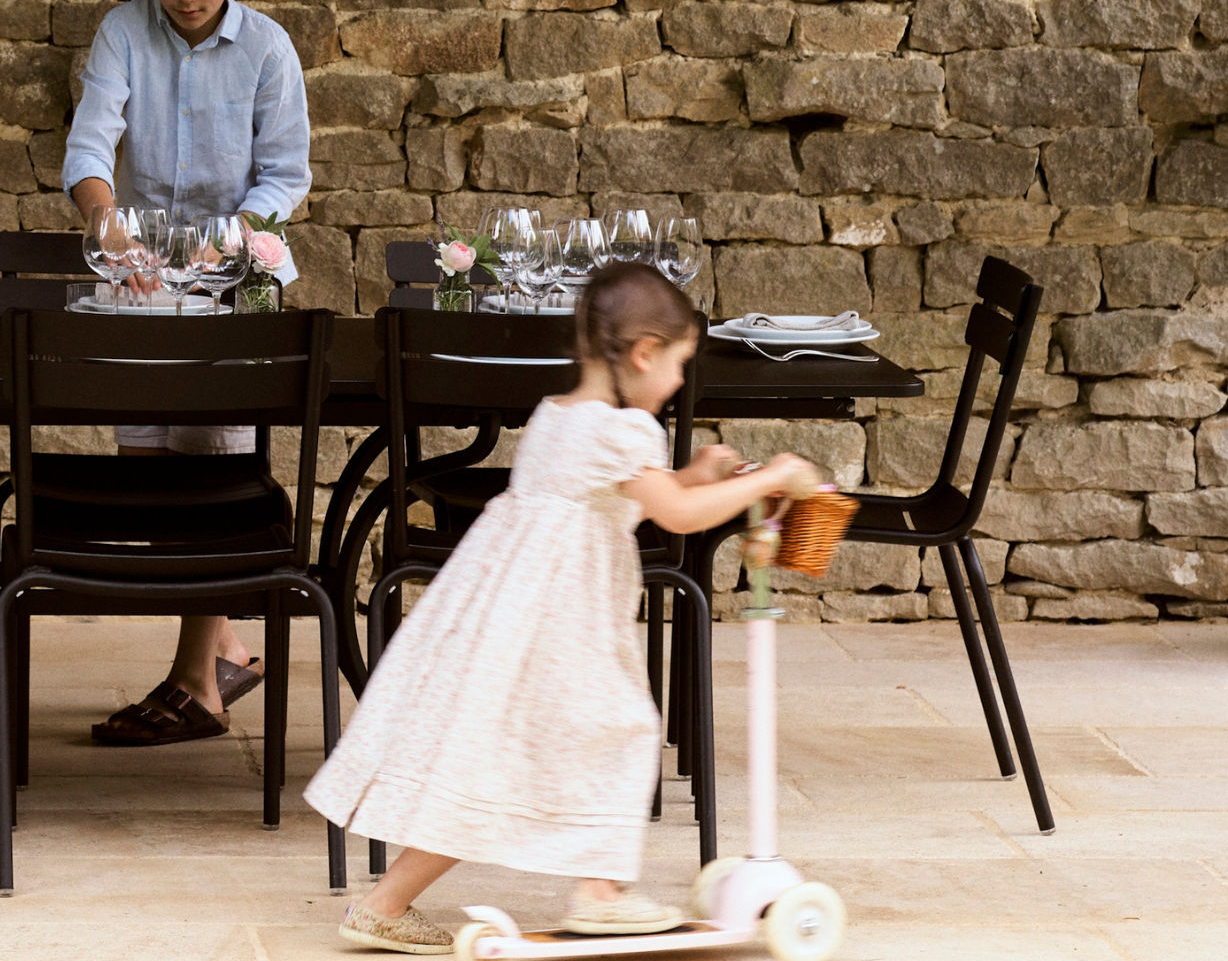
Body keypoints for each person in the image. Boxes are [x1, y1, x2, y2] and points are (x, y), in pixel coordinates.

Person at [304, 257, 832, 954]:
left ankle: (385, 903)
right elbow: (672, 514)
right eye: (676, 364)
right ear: (643, 353)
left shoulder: (557, 416)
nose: (676, 384)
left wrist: (695, 473)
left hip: (513, 616)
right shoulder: (626, 432)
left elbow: (621, 496)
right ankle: (600, 893)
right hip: (561, 624)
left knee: (489, 760)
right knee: (624, 731)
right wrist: (773, 476)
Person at [57, 0, 313, 747]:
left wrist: (230, 240)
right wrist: (105, 219)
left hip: (229, 284)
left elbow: (286, 177)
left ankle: (196, 681)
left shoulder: (270, 51)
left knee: (213, 473)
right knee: (149, 472)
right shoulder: (123, 32)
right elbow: (92, 142)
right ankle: (226, 650)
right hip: (134, 284)